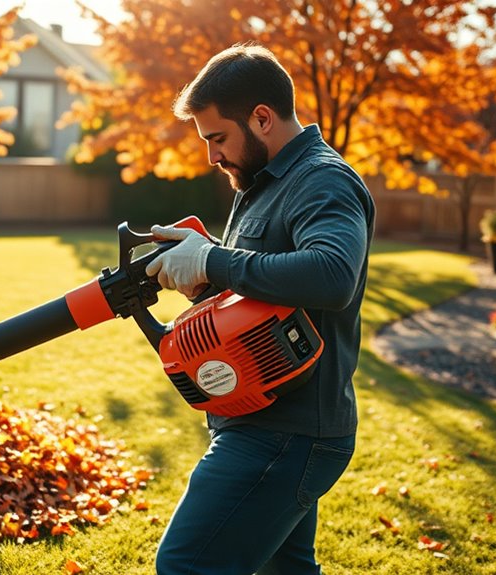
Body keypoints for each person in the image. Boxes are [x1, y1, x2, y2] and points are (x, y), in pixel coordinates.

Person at [145, 43, 375, 575]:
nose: (212, 156)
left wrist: (213, 261)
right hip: (265, 420)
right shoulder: (263, 181)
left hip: (287, 433)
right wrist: (200, 271)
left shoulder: (322, 180)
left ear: (263, 118)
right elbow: (262, 285)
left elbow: (332, 274)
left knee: (185, 566)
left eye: (217, 138)